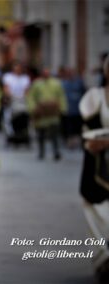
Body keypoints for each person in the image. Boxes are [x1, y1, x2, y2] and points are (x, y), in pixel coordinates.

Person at [79, 56, 109, 283]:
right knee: (95, 206)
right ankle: (104, 260)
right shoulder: (95, 97)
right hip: (99, 164)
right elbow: (87, 130)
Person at [27, 67, 67, 160]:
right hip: (41, 113)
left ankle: (56, 151)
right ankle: (41, 152)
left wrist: (62, 108)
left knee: (55, 134)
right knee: (41, 134)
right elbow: (31, 97)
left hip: (53, 113)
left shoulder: (56, 83)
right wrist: (33, 108)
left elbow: (61, 96)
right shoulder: (37, 84)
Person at [2, 61, 31, 146]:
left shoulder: (25, 78)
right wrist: (10, 96)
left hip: (22, 102)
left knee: (24, 120)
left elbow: (27, 90)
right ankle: (10, 136)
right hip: (12, 101)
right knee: (8, 119)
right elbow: (6, 88)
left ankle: (24, 137)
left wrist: (22, 97)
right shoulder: (8, 77)